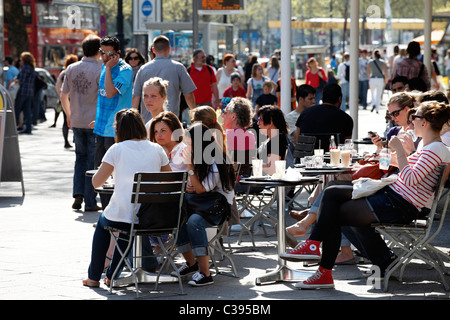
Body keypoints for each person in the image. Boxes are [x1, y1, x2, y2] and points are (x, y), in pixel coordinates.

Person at [280, 101, 450, 289]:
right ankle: (318, 256)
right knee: (331, 192)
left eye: (414, 119)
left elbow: (410, 178)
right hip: (394, 199)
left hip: (399, 204)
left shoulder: (436, 148)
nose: (411, 123)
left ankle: (321, 263)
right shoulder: (429, 147)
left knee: (332, 209)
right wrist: (389, 153)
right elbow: (407, 170)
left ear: (424, 122)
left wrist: (401, 151)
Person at [82, 108, 171, 288]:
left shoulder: (117, 149)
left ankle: (93, 277)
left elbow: (96, 183)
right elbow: (168, 180)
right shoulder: (157, 149)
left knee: (106, 222)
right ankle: (112, 275)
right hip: (151, 217)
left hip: (125, 216)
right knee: (127, 222)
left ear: (119, 130)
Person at [174, 123, 236, 287]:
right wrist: (189, 185)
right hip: (202, 203)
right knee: (175, 215)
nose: (186, 146)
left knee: (194, 222)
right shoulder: (199, 157)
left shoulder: (215, 160)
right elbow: (195, 186)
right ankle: (191, 263)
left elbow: (200, 189)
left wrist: (189, 167)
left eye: (189, 143)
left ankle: (205, 273)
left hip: (219, 207)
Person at [60, 35, 103, 212]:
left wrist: (69, 115)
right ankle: (90, 201)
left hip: (77, 119)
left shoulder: (71, 68)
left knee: (80, 158)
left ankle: (78, 194)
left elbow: (63, 95)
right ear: (99, 51)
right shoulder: (101, 69)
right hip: (94, 121)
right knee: (93, 163)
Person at [131, 35, 196, 122]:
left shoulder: (143, 69)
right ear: (169, 49)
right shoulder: (178, 67)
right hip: (170, 121)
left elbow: (136, 96)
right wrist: (194, 114)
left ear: (153, 50)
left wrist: (133, 119)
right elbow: (188, 95)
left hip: (148, 121)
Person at [92, 36, 133, 170]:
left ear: (117, 54)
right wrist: (97, 120)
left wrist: (109, 68)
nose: (104, 57)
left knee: (112, 171)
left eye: (109, 54)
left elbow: (110, 93)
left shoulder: (124, 70)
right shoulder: (106, 66)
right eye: (102, 52)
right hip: (101, 127)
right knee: (98, 169)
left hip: (115, 129)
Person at [295, 83, 353, 151]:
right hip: (334, 159)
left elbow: (297, 141)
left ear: (322, 97)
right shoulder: (346, 119)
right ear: (339, 99)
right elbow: (346, 147)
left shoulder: (304, 113)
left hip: (305, 159)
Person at [222, 97, 256, 172]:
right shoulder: (251, 136)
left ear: (233, 117)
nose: (222, 116)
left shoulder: (224, 136)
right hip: (245, 178)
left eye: (225, 113)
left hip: (229, 180)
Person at [54, 54, 78, 149]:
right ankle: (75, 138)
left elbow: (57, 86)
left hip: (65, 99)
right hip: (75, 99)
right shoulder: (77, 71)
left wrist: (61, 94)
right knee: (76, 119)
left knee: (65, 120)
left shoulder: (63, 73)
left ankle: (66, 141)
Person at [256, 105, 289, 175]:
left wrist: (254, 162)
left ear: (270, 122)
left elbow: (271, 170)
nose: (258, 123)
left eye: (260, 120)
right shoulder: (271, 139)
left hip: (266, 184)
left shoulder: (277, 141)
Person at [13, 51, 36, 134]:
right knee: (27, 110)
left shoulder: (25, 67)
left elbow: (21, 80)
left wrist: (16, 80)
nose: (20, 61)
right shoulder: (31, 67)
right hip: (29, 92)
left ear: (24, 60)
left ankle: (12, 127)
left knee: (17, 109)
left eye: (21, 59)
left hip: (23, 91)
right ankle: (28, 128)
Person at [367, 49, 388, 114]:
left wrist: (369, 77)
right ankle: (377, 109)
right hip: (380, 79)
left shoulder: (370, 62)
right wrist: (386, 79)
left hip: (372, 78)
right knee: (378, 94)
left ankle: (373, 103)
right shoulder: (383, 62)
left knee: (372, 93)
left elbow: (367, 71)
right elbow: (385, 72)